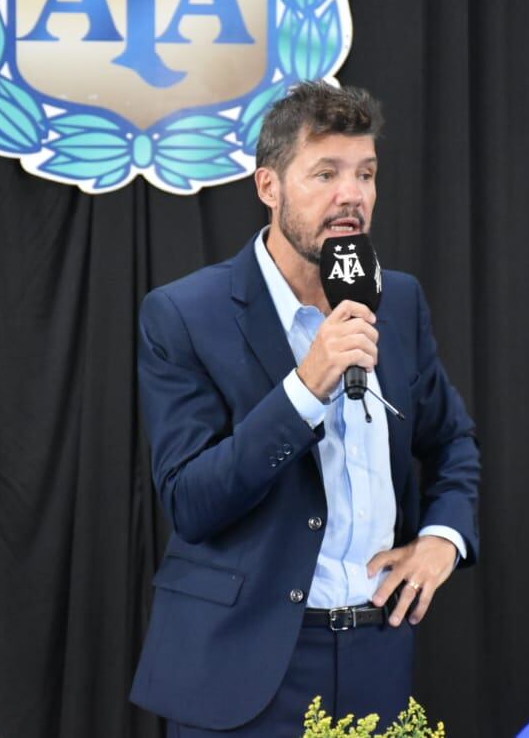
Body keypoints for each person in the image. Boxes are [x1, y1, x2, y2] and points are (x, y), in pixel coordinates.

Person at [130, 81, 481, 736]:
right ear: (269, 186)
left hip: (376, 656)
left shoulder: (396, 301)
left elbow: (452, 440)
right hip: (245, 668)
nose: (352, 194)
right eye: (326, 173)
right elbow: (191, 500)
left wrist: (443, 539)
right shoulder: (183, 315)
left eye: (366, 173)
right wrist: (305, 386)